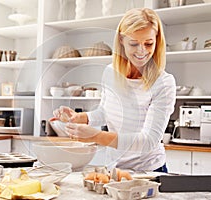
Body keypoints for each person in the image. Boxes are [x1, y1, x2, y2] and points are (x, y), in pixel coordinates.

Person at [52, 8, 176, 173]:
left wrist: (96, 136)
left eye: (148, 43)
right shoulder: (110, 72)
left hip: (149, 171)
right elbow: (105, 112)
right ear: (121, 41)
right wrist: (79, 117)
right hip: (114, 169)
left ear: (157, 41)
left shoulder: (163, 83)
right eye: (134, 43)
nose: (142, 51)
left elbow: (149, 141)